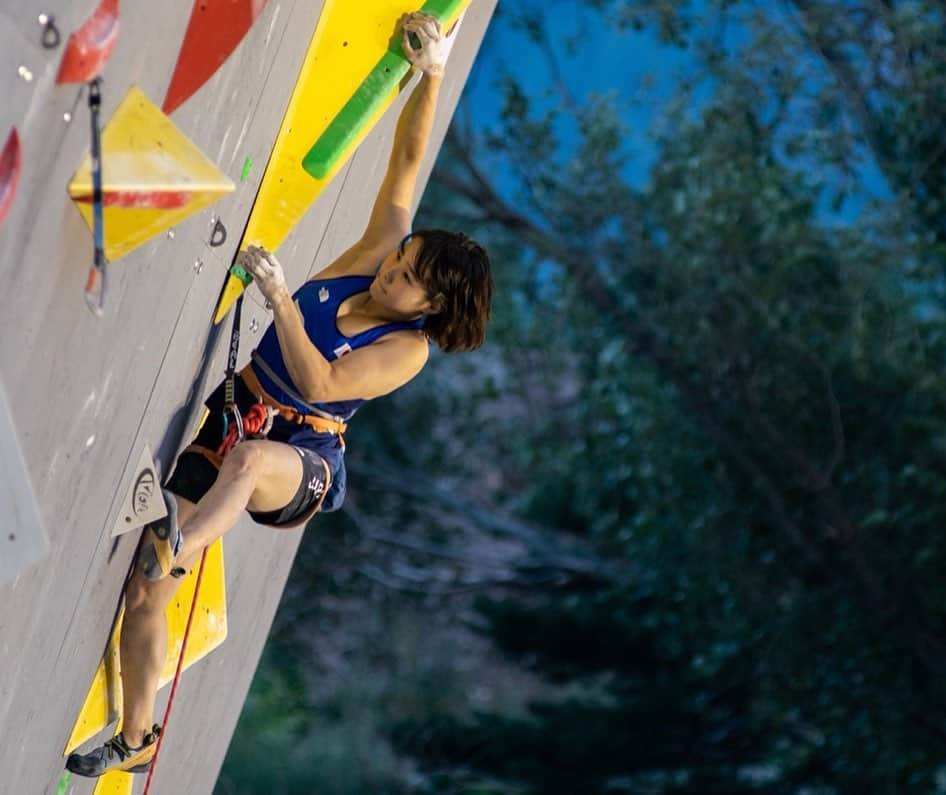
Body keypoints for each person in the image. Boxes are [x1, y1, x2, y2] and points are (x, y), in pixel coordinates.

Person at [66, 10, 492, 777]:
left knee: (248, 468)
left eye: (405, 276)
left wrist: (282, 298)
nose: (391, 267)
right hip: (241, 410)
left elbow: (326, 382)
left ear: (428, 305)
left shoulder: (406, 350)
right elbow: (407, 158)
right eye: (401, 256)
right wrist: (429, 72)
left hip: (300, 458)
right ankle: (136, 738)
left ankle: (182, 543)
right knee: (144, 599)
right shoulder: (376, 251)